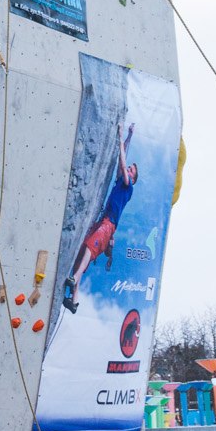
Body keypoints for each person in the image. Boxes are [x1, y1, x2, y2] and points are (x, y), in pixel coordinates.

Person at [62, 121, 136, 312]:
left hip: (109, 225)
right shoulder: (122, 182)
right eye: (129, 169)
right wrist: (129, 136)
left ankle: (75, 278)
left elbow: (122, 160)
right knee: (83, 251)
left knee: (90, 246)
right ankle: (74, 300)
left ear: (133, 178)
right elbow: (124, 157)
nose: (127, 170)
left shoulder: (128, 187)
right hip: (104, 220)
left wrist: (120, 137)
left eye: (131, 171)